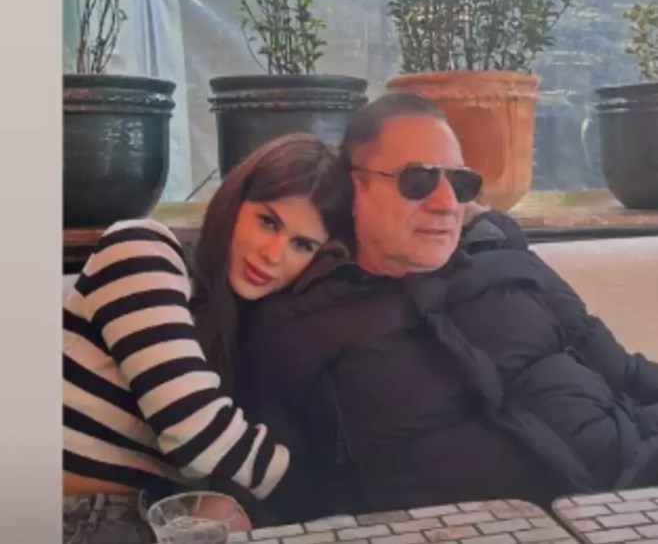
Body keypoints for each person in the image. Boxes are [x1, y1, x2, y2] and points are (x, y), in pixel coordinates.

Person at [239, 93, 658, 522]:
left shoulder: (505, 258)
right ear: (353, 189)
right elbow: (290, 494)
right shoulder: (299, 327)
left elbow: (626, 374)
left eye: (459, 184)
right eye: (417, 180)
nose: (445, 203)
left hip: (639, 491)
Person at [63, 132, 353, 544]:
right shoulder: (141, 250)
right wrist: (340, 503)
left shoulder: (241, 333)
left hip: (147, 518)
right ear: (234, 204)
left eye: (302, 245)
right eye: (268, 221)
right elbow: (195, 433)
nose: (273, 254)